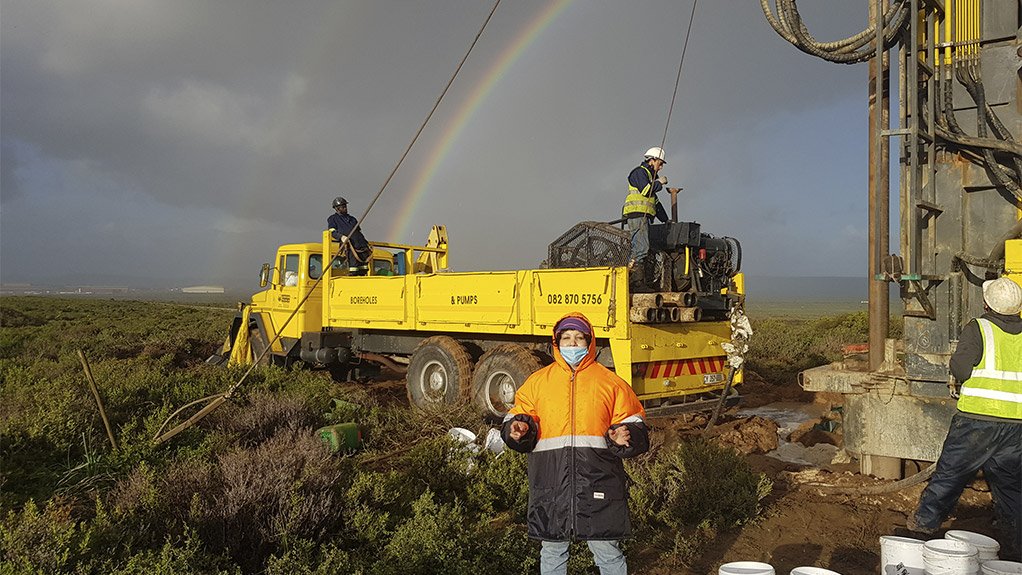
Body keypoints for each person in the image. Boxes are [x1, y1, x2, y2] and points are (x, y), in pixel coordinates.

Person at [502, 313, 650, 575]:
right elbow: (518, 418)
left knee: (607, 550)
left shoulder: (611, 383)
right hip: (551, 481)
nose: (573, 344)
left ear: (589, 341)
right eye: (567, 338)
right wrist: (518, 430)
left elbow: (636, 425)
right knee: (552, 550)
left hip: (599, 480)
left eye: (579, 338)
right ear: (556, 343)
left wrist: (623, 435)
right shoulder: (537, 383)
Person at [908, 276, 1022, 559]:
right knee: (1010, 488)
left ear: (986, 303)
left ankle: (921, 530)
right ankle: (1014, 550)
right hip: (1016, 425)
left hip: (977, 421)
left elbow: (961, 369)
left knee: (950, 476)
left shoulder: (979, 328)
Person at [622, 147, 671, 289]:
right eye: (660, 163)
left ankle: (636, 280)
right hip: (637, 215)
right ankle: (635, 282)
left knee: (643, 248)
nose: (661, 167)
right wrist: (659, 183)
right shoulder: (639, 172)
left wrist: (666, 220)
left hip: (644, 216)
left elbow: (655, 202)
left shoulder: (649, 178)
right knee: (641, 247)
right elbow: (645, 191)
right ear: (652, 160)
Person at [327, 197, 372, 276]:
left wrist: (366, 243)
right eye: (342, 206)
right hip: (350, 246)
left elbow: (358, 232)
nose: (345, 208)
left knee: (364, 268)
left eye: (345, 206)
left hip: (361, 245)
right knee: (354, 268)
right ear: (337, 208)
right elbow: (332, 231)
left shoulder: (352, 219)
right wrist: (341, 237)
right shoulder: (333, 219)